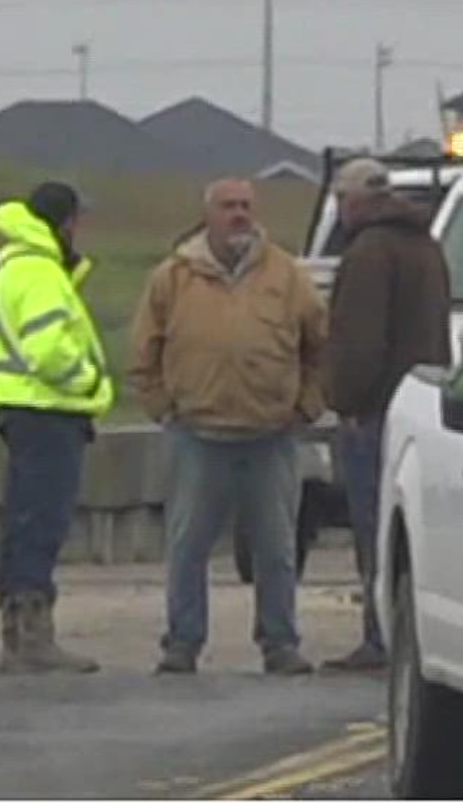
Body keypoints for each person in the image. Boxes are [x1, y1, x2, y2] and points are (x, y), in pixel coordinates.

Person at [129, 177, 328, 676]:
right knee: (188, 547)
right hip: (197, 435)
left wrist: (306, 406)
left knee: (277, 550)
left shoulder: (286, 274)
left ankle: (280, 643)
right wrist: (163, 408)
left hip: (271, 435)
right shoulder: (173, 277)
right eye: (227, 206)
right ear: (209, 214)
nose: (238, 215)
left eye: (245, 206)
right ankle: (183, 643)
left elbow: (321, 347)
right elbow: (143, 352)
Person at [0, 181, 115, 675]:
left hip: (24, 411)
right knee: (41, 522)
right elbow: (49, 350)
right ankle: (32, 636)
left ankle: (20, 632)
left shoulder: (13, 262)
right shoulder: (37, 270)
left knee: (25, 521)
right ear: (66, 221)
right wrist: (89, 379)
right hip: (47, 411)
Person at [321, 158, 452, 672]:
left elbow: (360, 341)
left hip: (377, 412)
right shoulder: (426, 246)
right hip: (422, 406)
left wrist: (346, 400)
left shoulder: (371, 253)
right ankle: (405, 633)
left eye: (339, 200)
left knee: (373, 528)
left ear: (354, 200)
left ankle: (379, 638)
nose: (338, 210)